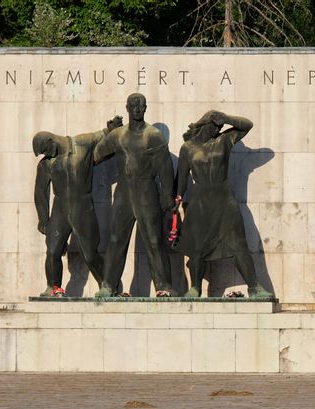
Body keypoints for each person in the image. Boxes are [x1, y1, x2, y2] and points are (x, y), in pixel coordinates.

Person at [175, 110, 273, 298]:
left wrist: (227, 119)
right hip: (200, 201)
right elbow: (181, 177)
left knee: (239, 244)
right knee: (197, 248)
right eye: (214, 125)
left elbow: (248, 124)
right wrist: (177, 198)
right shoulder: (187, 148)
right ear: (204, 124)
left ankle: (254, 287)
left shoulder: (224, 140)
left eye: (220, 126)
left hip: (224, 198)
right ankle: (195, 288)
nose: (217, 128)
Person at [94, 93, 178, 297]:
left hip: (146, 191)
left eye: (141, 105)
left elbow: (165, 168)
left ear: (145, 108)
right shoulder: (118, 135)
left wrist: (168, 196)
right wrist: (106, 132)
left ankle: (164, 286)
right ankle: (108, 285)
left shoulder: (154, 135)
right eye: (133, 105)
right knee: (115, 239)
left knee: (154, 239)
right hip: (123, 192)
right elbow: (97, 154)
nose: (137, 108)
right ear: (127, 108)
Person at [33, 116, 122, 297]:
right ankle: (53, 286)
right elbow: (40, 191)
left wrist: (112, 128)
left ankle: (109, 286)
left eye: (45, 150)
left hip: (82, 205)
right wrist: (43, 219)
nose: (45, 155)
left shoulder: (81, 143)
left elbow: (103, 135)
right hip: (60, 207)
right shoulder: (46, 164)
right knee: (52, 250)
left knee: (90, 254)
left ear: (51, 141)